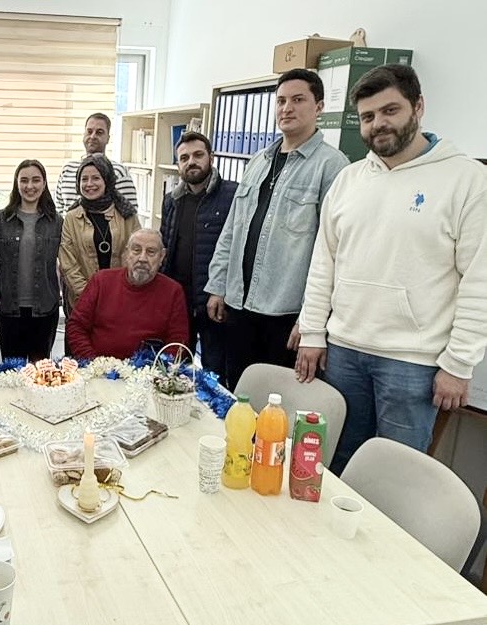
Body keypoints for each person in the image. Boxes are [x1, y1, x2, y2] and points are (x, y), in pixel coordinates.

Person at [296, 64, 487, 474]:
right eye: (368, 116)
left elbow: (479, 280)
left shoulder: (468, 180)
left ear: (418, 107)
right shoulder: (348, 180)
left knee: (396, 475)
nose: (378, 124)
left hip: (413, 362)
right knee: (337, 464)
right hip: (343, 350)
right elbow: (323, 263)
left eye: (390, 110)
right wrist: (312, 332)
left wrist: (459, 364)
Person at [204, 69, 349, 388]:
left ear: (319, 107)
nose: (287, 108)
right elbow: (232, 228)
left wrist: (311, 321)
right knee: (237, 391)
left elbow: (334, 253)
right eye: (281, 101)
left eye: (298, 100)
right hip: (239, 305)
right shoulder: (258, 160)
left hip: (286, 314)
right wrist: (218, 285)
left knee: (278, 401)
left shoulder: (333, 166)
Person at [160, 131, 237, 385]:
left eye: (198, 155)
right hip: (179, 301)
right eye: (184, 158)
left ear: (211, 158)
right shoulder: (171, 200)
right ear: (178, 165)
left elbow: (237, 250)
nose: (191, 162)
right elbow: (165, 247)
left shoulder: (232, 195)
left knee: (215, 374)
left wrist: (221, 290)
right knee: (175, 370)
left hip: (215, 302)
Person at [67, 229, 188, 360]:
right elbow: (76, 326)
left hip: (149, 369)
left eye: (151, 252)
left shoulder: (173, 291)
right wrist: (92, 363)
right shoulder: (101, 281)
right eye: (136, 250)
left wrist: (157, 368)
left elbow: (178, 341)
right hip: (97, 366)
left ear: (162, 257)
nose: (142, 258)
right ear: (126, 253)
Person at [0, 160, 63, 361]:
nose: (30, 186)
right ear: (17, 183)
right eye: (24, 180)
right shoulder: (1, 220)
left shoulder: (56, 221)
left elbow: (66, 262)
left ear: (44, 183)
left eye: (36, 180)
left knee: (41, 370)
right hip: (8, 308)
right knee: (12, 369)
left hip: (45, 309)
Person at [59, 154, 142, 312]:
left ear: (107, 180)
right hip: (83, 302)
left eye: (96, 178)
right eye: (84, 179)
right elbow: (68, 264)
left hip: (121, 300)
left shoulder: (127, 214)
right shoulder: (71, 217)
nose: (89, 184)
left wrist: (117, 295)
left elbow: (136, 255)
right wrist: (90, 296)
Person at [54, 112, 138, 213]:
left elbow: (130, 215)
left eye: (99, 132)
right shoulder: (68, 169)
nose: (93, 136)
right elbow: (57, 211)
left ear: (108, 138)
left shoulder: (118, 171)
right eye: (89, 131)